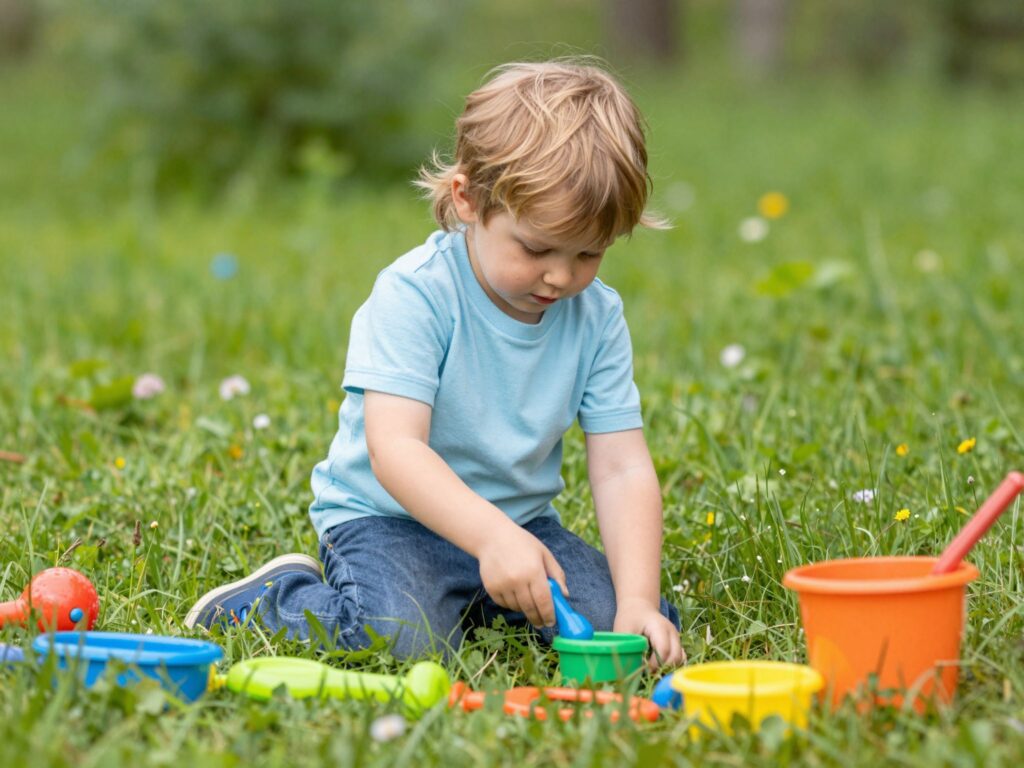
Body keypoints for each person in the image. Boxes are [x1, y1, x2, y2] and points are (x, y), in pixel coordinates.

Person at [185, 59, 685, 669]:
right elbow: (395, 449)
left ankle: (473, 603)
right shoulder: (417, 295)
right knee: (401, 638)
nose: (560, 276)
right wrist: (490, 537)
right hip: (391, 521)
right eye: (536, 248)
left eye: (589, 254)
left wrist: (638, 600)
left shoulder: (596, 317)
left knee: (623, 624)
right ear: (467, 199)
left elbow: (622, 467)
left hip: (521, 525)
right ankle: (272, 600)